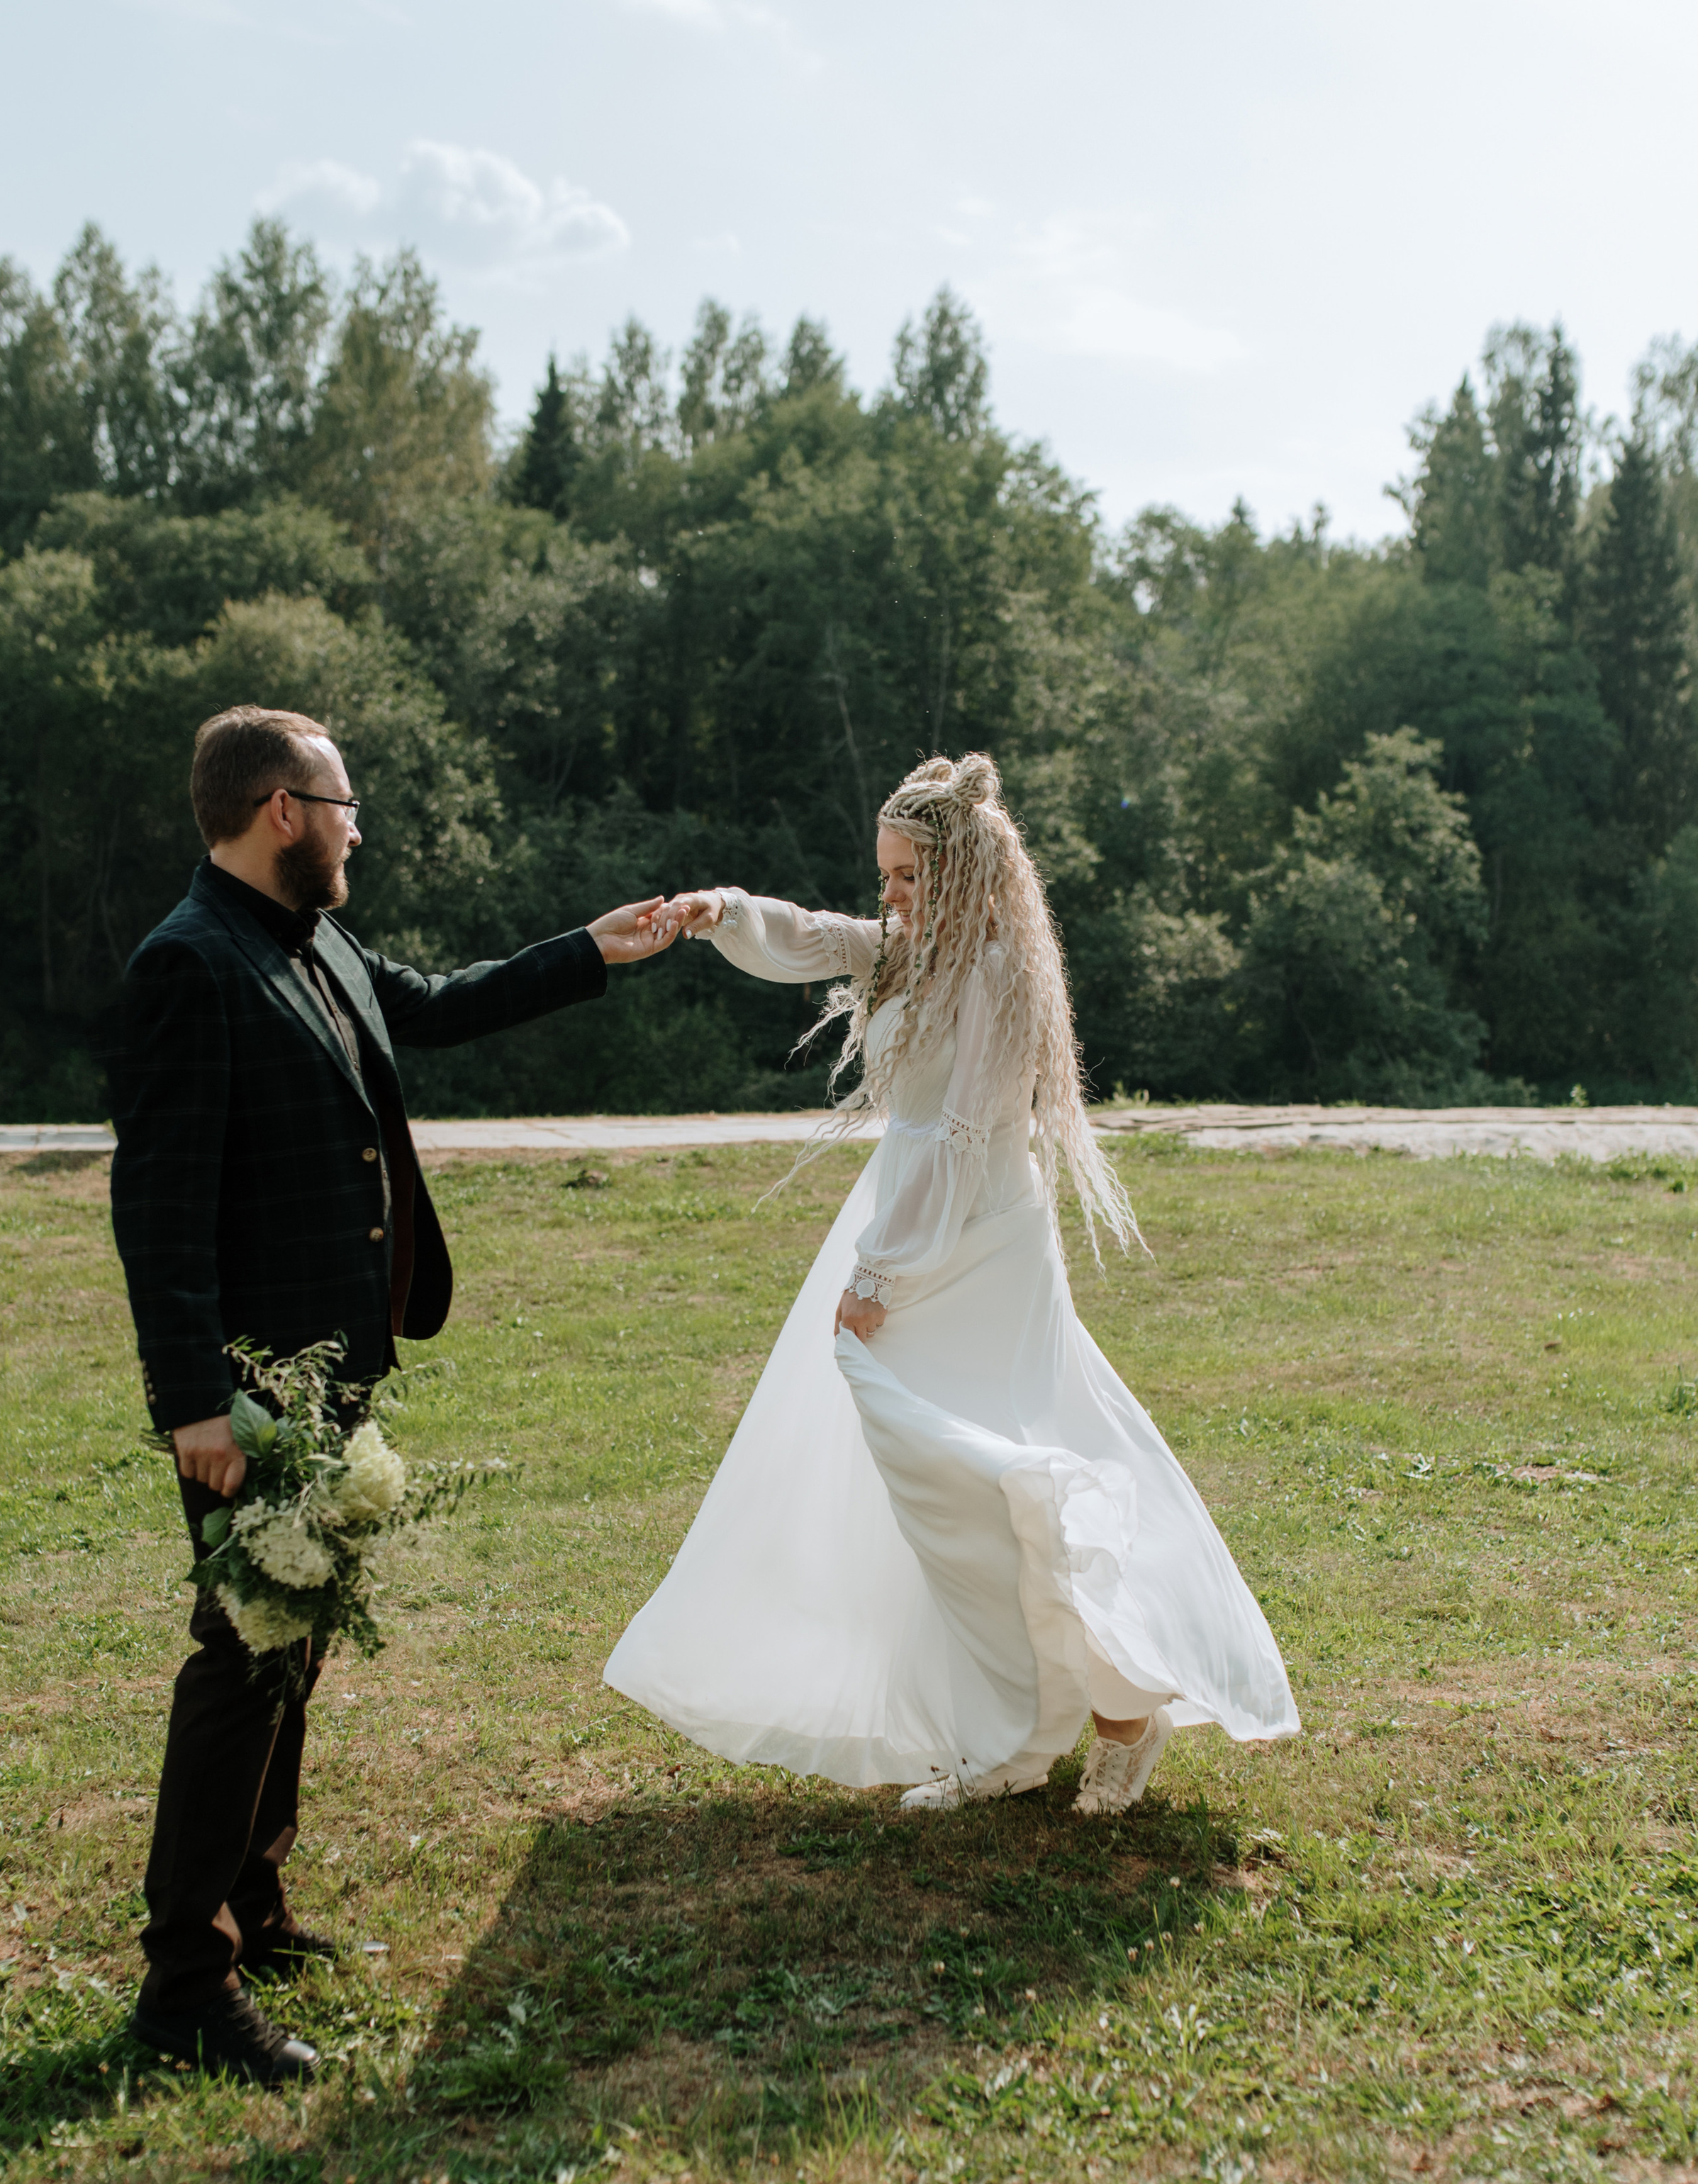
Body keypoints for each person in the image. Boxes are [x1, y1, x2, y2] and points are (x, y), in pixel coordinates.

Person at [112, 702, 678, 2087]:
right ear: (279, 808)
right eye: (344, 802)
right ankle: (185, 1981)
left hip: (337, 1373)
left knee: (293, 1644)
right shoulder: (189, 965)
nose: (359, 825)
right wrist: (194, 1404)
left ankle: (260, 1904)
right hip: (251, 1399)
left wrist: (588, 952)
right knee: (242, 1658)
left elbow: (430, 1007)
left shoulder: (315, 946)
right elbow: (160, 1211)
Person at [605, 751, 1297, 1808]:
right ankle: (1005, 1730)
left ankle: (1112, 1707)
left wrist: (883, 1273)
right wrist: (722, 910)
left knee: (988, 1468)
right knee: (936, 1487)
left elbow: (971, 1138)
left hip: (975, 1239)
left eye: (908, 877)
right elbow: (812, 935)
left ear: (966, 873)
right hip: (909, 1213)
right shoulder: (904, 949)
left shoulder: (997, 972)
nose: (889, 896)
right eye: (884, 875)